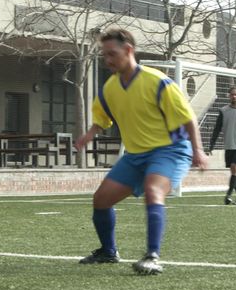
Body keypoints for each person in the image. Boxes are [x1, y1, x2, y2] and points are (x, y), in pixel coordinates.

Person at [73, 28, 209, 275]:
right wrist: (89, 135)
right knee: (101, 200)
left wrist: (198, 150)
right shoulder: (109, 88)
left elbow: (188, 118)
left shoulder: (158, 82)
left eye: (112, 54)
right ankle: (108, 251)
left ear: (128, 50)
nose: (108, 60)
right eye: (105, 55)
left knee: (153, 190)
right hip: (136, 156)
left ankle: (152, 256)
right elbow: (102, 118)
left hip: (170, 150)